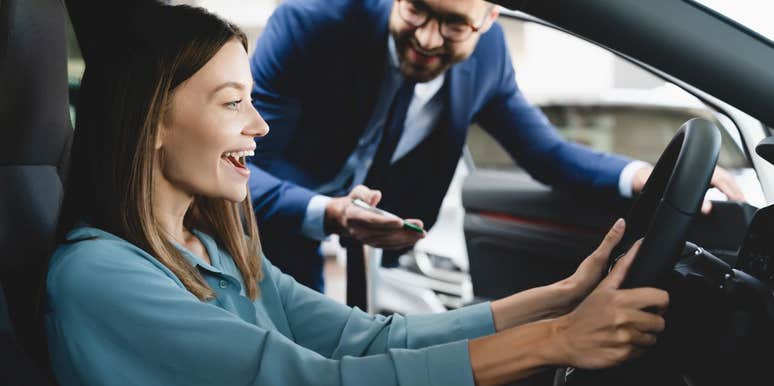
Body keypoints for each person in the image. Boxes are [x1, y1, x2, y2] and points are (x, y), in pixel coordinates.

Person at [46, 4, 670, 385]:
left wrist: (557, 300)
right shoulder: (100, 275)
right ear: (153, 119)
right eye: (233, 103)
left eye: (253, 101)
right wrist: (557, 341)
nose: (260, 126)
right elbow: (318, 381)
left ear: (485, 25)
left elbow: (369, 342)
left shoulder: (216, 248)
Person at [247, 0, 746, 292]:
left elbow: (545, 153)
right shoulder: (313, 22)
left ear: (488, 19)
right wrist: (327, 213)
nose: (425, 37)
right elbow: (248, 166)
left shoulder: (488, 58)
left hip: (370, 231)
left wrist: (640, 176)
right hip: (264, 225)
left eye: (454, 24)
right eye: (416, 8)